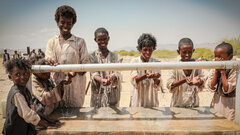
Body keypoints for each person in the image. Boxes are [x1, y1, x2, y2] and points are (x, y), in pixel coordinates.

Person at [45, 5, 89, 107]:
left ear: (73, 23)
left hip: (76, 87)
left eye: (69, 23)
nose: (65, 26)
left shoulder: (80, 42)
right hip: (57, 85)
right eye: (62, 22)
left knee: (76, 114)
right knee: (57, 114)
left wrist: (74, 72)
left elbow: (85, 63)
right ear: (57, 22)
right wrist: (51, 62)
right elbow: (49, 60)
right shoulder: (51, 42)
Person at [2, 58, 58, 135]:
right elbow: (28, 114)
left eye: (25, 74)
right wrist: (45, 124)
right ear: (10, 77)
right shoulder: (17, 94)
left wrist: (48, 120)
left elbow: (33, 109)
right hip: (15, 131)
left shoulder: (26, 90)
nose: (22, 77)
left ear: (30, 74)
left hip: (23, 129)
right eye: (17, 74)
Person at [166, 38, 205, 108]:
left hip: (194, 105)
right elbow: (169, 84)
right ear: (178, 51)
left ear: (193, 51)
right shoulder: (175, 66)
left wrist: (198, 81)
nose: (187, 55)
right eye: (184, 52)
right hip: (177, 104)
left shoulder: (197, 66)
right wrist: (184, 80)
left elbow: (202, 82)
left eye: (189, 52)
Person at [89, 27, 122, 107]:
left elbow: (117, 72)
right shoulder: (92, 57)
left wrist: (112, 77)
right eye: (100, 40)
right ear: (95, 40)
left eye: (105, 39)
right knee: (97, 115)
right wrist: (101, 79)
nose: (102, 42)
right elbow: (93, 73)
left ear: (108, 39)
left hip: (113, 94)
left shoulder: (116, 56)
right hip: (97, 94)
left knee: (113, 116)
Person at [130, 33, 162, 107]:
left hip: (152, 100)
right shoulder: (134, 62)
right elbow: (134, 80)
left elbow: (158, 83)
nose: (148, 53)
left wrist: (155, 78)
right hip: (137, 100)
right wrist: (145, 76)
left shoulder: (156, 63)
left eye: (150, 50)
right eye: (145, 50)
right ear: (140, 49)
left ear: (153, 49)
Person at [207, 42, 236, 121]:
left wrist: (222, 72)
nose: (217, 59)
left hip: (230, 104)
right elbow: (211, 85)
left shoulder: (235, 67)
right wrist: (216, 71)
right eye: (215, 56)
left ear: (230, 57)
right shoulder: (215, 64)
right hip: (217, 101)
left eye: (220, 57)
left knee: (229, 125)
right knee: (215, 122)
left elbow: (227, 88)